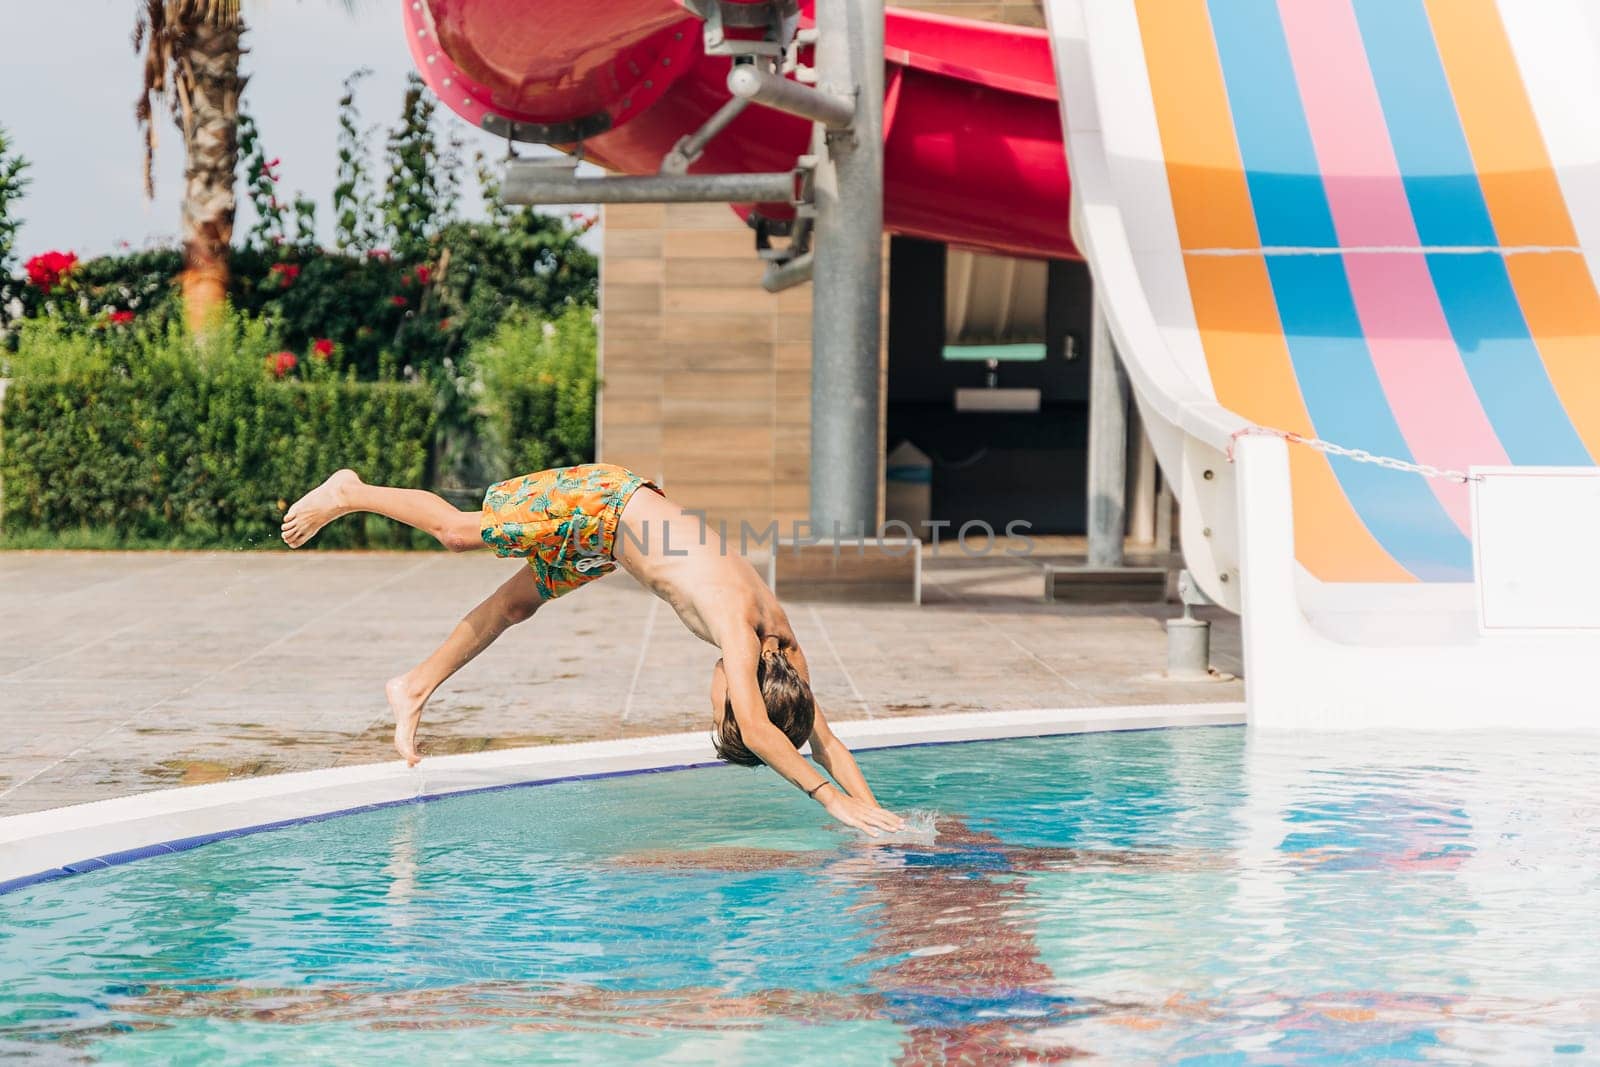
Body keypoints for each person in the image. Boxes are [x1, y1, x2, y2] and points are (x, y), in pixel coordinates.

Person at [280, 464, 905, 836]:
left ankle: (413, 685)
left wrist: (879, 823)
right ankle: (349, 491)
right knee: (457, 532)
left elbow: (826, 740)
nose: (715, 702)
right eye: (723, 712)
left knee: (515, 604)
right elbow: (769, 736)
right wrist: (831, 801)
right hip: (603, 503)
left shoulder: (784, 657)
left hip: (608, 541)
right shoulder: (740, 632)